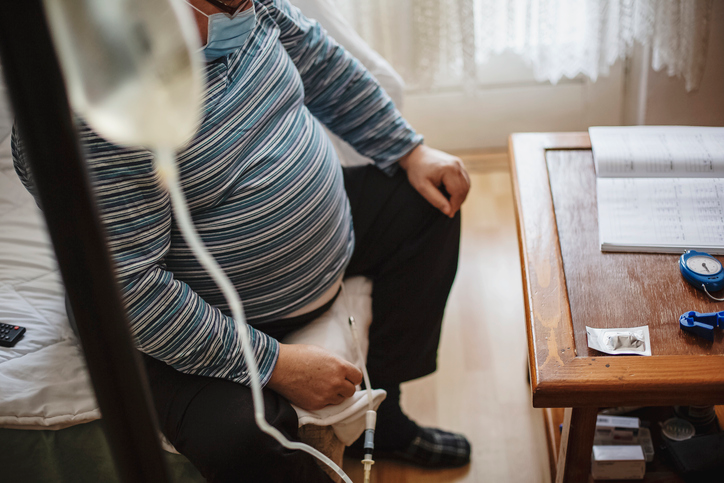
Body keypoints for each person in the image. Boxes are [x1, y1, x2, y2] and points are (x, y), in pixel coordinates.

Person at [13, 0, 471, 481]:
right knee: (243, 440)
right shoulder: (104, 109)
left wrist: (408, 148)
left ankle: (388, 421)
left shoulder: (249, 8)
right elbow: (132, 293)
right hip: (191, 313)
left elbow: (322, 65)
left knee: (431, 205)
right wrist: (277, 365)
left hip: (324, 242)